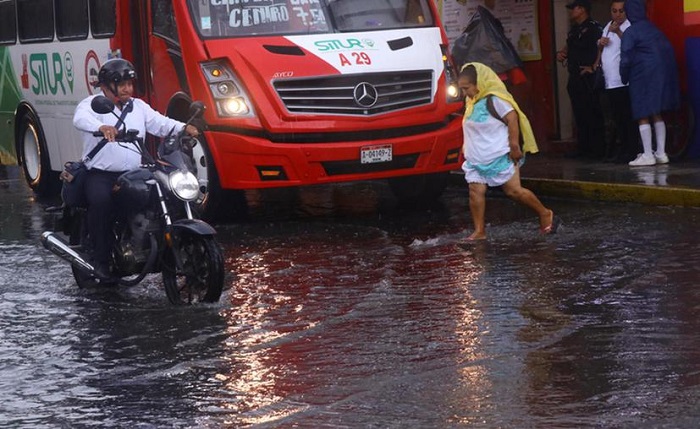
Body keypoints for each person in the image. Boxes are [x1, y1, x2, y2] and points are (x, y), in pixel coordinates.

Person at [73, 58, 199, 281]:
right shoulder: (93, 104)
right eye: (121, 84)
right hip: (101, 174)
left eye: (129, 84)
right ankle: (100, 261)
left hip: (134, 171)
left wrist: (183, 127)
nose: (127, 89)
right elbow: (80, 119)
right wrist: (101, 127)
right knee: (101, 203)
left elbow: (160, 123)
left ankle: (156, 243)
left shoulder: (138, 106)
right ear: (106, 86)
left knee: (165, 193)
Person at [458, 62, 559, 241]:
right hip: (476, 157)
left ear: (478, 84)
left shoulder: (495, 100)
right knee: (475, 191)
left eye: (466, 88)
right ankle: (479, 231)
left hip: (500, 155)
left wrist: (514, 146)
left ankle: (545, 213)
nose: (464, 93)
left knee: (514, 191)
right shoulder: (471, 102)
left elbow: (513, 118)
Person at [620, 0, 681, 167]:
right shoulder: (655, 29)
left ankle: (647, 154)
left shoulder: (631, 32)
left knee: (642, 114)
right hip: (662, 75)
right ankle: (661, 153)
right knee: (656, 113)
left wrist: (623, 77)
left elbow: (625, 59)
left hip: (642, 75)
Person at [556, 0, 606, 159]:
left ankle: (598, 150)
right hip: (575, 76)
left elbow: (602, 49)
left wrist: (594, 66)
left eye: (574, 8)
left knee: (593, 113)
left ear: (583, 9)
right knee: (580, 114)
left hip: (589, 77)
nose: (571, 12)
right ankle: (583, 149)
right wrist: (561, 54)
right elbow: (568, 47)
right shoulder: (573, 30)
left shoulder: (594, 28)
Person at [594, 0, 637, 163]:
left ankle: (631, 150)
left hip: (622, 81)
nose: (617, 14)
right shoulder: (607, 26)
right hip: (609, 80)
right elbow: (602, 47)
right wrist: (600, 43)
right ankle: (622, 149)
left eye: (621, 11)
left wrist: (617, 31)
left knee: (627, 117)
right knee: (617, 117)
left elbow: (629, 44)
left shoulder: (628, 26)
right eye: (614, 11)